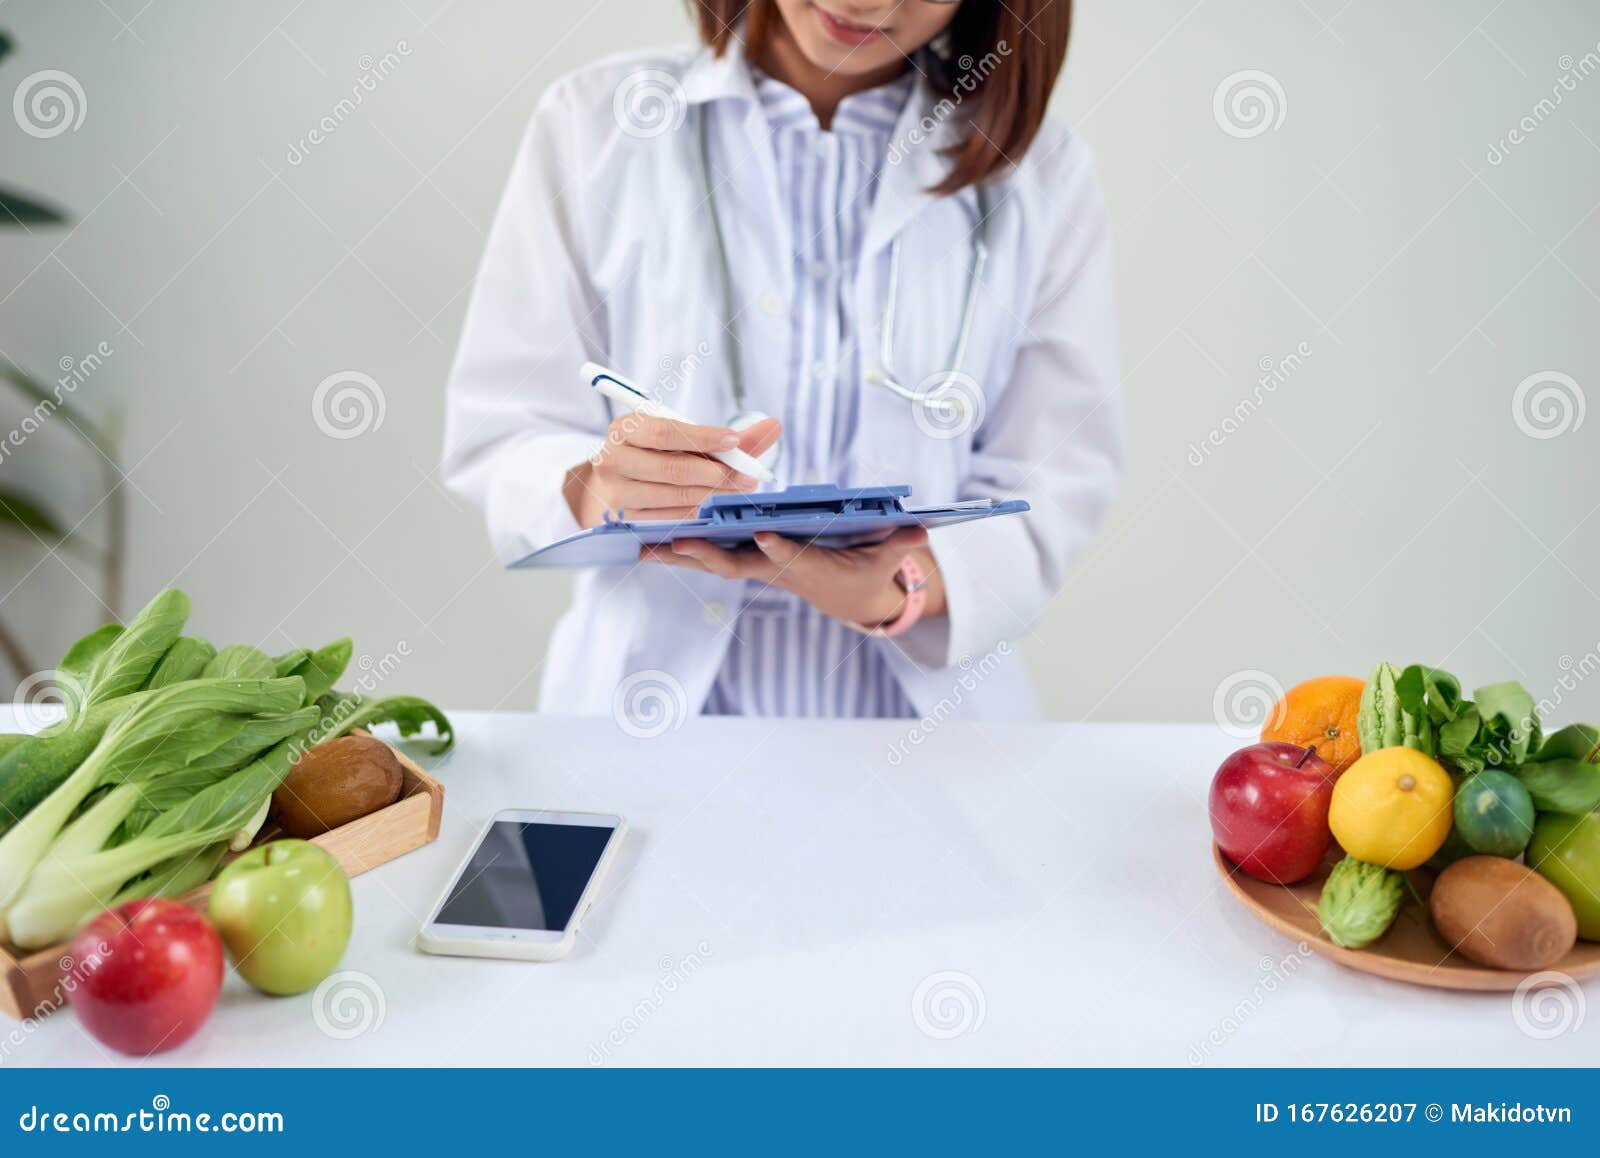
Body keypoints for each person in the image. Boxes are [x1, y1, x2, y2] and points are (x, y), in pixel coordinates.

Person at [442, 0, 1120, 721]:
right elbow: (505, 430)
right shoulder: (593, 124)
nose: (869, 3)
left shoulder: (1043, 171)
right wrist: (597, 487)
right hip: (644, 723)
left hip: (931, 744)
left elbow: (1056, 474)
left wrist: (901, 587)